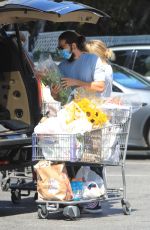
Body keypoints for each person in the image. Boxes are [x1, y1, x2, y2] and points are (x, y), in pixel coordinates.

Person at [57, 31, 113, 213]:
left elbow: (99, 86)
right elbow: (58, 94)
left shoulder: (92, 60)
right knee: (71, 156)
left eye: (62, 46)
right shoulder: (63, 65)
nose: (60, 50)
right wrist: (55, 90)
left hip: (93, 115)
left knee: (93, 156)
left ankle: (94, 196)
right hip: (72, 117)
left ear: (73, 46)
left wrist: (76, 82)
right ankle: (76, 192)